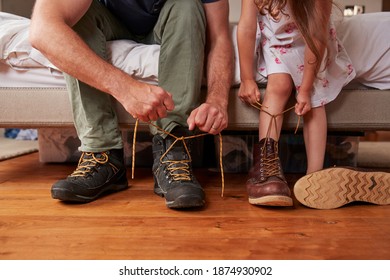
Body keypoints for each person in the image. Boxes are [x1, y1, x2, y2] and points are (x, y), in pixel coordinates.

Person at [29, 0, 233, 209]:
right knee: (75, 20)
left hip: (170, 20)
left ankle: (172, 147)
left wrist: (217, 100)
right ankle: (102, 153)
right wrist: (126, 89)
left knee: (187, 4)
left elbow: (219, 37)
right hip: (108, 21)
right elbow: (43, 30)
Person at [237, 0, 356, 207]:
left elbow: (316, 37)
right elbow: (247, 27)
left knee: (315, 101)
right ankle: (268, 165)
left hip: (312, 46)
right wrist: (247, 78)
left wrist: (306, 89)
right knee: (279, 86)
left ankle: (314, 176)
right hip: (276, 41)